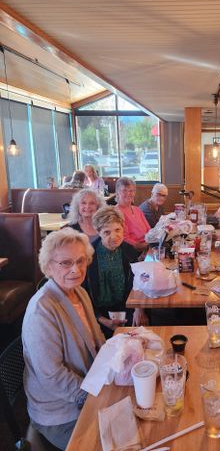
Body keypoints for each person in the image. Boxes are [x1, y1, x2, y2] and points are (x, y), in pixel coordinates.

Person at [22, 228, 105, 450]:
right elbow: (52, 376)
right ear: (48, 266)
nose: (75, 270)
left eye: (80, 261)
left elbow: (97, 343)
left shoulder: (79, 293)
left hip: (90, 388)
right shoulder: (42, 309)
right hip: (61, 412)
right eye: (65, 263)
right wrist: (93, 398)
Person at [86, 206, 148, 337]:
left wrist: (138, 308)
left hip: (127, 307)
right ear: (98, 232)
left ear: (123, 228)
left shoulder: (129, 251)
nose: (114, 236)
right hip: (99, 314)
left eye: (117, 230)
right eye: (107, 232)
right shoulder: (88, 257)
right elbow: (84, 296)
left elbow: (137, 282)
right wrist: (103, 320)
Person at [115, 177, 151, 251]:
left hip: (147, 245)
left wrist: (152, 240)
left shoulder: (137, 209)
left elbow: (149, 230)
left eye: (131, 191)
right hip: (133, 251)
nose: (128, 193)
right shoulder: (116, 212)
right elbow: (124, 238)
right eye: (124, 190)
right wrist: (140, 246)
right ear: (118, 192)